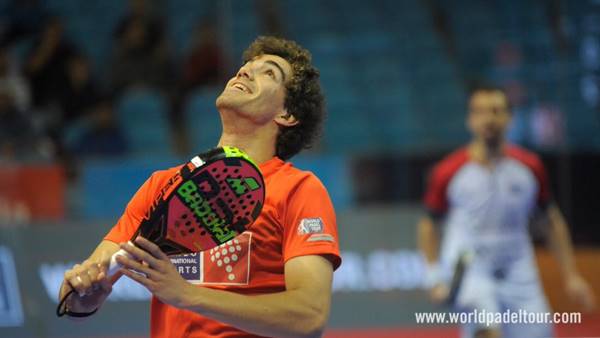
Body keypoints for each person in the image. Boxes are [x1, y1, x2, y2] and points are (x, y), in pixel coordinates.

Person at [58, 36, 341, 338]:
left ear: (286, 114)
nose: (244, 71)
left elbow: (309, 316)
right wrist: (85, 294)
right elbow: (77, 297)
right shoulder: (162, 186)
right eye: (246, 65)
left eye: (268, 72)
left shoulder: (299, 190)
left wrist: (188, 295)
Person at [417, 84, 595, 338]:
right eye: (480, 112)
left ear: (509, 118)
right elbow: (428, 225)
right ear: (470, 120)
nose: (488, 119)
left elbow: (551, 221)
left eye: (495, 111)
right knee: (488, 331)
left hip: (518, 268)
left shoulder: (530, 167)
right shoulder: (448, 171)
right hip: (469, 266)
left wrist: (571, 276)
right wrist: (434, 276)